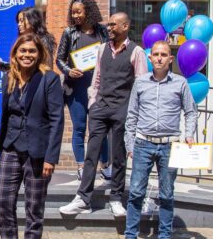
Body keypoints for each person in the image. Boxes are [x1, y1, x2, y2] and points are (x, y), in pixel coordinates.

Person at [0, 34, 64, 239]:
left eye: (31, 51)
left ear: (39, 53)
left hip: (38, 153)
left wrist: (51, 157)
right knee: (2, 201)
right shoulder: (10, 77)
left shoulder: (49, 79)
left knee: (34, 207)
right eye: (22, 51)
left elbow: (56, 120)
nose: (27, 55)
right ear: (15, 53)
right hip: (10, 147)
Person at [59, 12, 148, 217]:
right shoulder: (101, 49)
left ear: (125, 26)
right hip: (100, 107)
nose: (109, 28)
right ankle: (83, 197)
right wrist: (93, 101)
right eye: (108, 25)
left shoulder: (136, 52)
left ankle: (116, 198)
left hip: (122, 109)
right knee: (92, 152)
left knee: (118, 155)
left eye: (113, 25)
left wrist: (132, 111)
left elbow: (141, 86)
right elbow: (96, 79)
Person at [117, 40, 198, 239]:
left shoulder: (180, 83)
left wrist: (189, 134)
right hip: (144, 143)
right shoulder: (141, 83)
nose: (160, 58)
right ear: (150, 58)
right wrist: (130, 144)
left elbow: (191, 111)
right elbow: (132, 114)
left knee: (167, 193)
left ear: (170, 59)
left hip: (170, 144)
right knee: (135, 192)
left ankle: (164, 238)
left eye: (164, 54)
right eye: (156, 54)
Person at [55, 0, 110, 182]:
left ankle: (105, 165)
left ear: (88, 11)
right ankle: (81, 166)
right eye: (73, 12)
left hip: (99, 89)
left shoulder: (103, 31)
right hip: (76, 89)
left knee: (99, 129)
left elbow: (111, 53)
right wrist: (69, 71)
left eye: (79, 11)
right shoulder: (69, 32)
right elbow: (59, 59)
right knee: (79, 128)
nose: (75, 15)